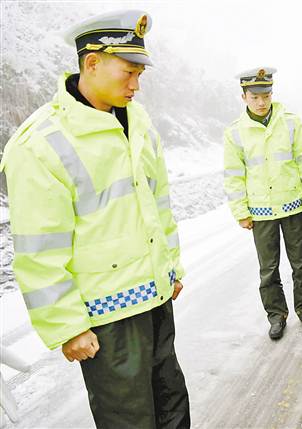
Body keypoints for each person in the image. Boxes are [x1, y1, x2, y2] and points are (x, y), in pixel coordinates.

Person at [0, 10, 190, 428]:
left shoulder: (136, 120)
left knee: (172, 404)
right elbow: (38, 251)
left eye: (140, 74)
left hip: (155, 299)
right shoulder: (41, 143)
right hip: (107, 318)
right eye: (129, 72)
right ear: (91, 63)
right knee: (129, 418)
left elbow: (157, 205)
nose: (136, 85)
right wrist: (68, 327)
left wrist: (171, 267)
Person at [223, 67, 302, 340]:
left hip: (293, 205)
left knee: (301, 263)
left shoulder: (290, 122)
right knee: (268, 270)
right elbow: (233, 176)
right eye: (255, 96)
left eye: (266, 95)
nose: (262, 101)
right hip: (260, 211)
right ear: (244, 97)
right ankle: (276, 315)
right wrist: (241, 211)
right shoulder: (234, 133)